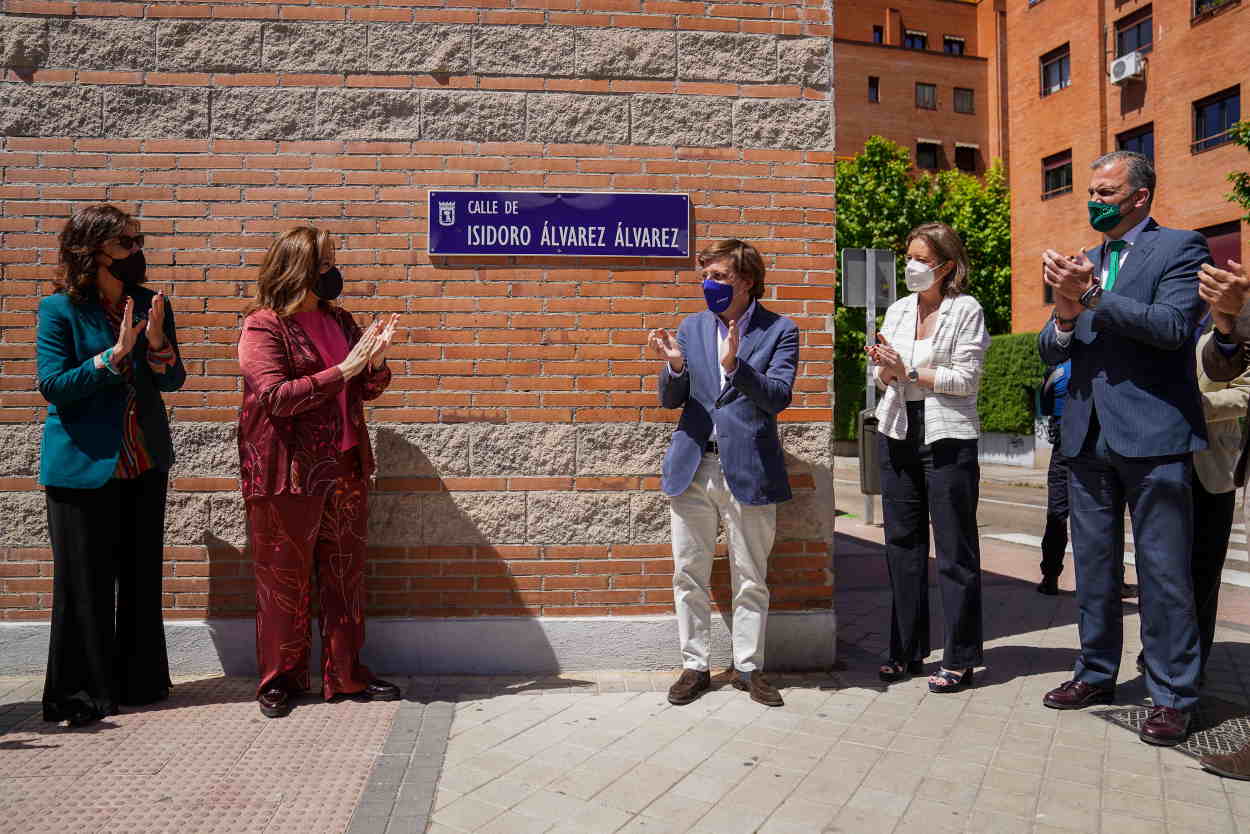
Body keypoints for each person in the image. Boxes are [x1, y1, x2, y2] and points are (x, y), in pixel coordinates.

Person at [1037, 150, 1210, 747]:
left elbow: (1171, 328)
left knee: (1163, 574)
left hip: (1154, 436)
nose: (1094, 201)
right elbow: (1054, 349)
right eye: (1090, 189)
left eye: (1106, 192)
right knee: (1095, 570)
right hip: (1086, 437)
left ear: (1140, 196)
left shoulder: (1181, 248)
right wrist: (1062, 312)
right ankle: (1095, 672)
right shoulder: (1087, 261)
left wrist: (1088, 298)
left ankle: (1171, 696)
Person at [237, 226, 401, 718]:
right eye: (325, 263)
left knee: (344, 575)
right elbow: (276, 397)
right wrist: (346, 370)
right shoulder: (263, 327)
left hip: (346, 465)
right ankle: (279, 680)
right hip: (288, 472)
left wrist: (375, 361)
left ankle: (346, 675)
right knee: (284, 579)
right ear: (299, 269)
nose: (333, 271)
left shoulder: (340, 319)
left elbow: (365, 388)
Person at [36, 204, 186, 726]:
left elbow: (171, 381)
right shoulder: (59, 310)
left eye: (138, 241)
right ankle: (79, 694)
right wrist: (110, 358)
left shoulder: (151, 302)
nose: (136, 252)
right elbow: (53, 386)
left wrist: (158, 344)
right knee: (85, 583)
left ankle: (140, 682)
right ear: (92, 250)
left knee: (141, 578)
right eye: (126, 243)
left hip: (143, 461)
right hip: (82, 466)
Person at [648, 239, 798, 708]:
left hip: (748, 468)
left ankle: (749, 667)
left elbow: (777, 397)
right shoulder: (691, 328)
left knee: (750, 574)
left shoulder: (781, 330)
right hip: (694, 464)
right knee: (688, 571)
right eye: (705, 277)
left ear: (747, 280)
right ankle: (694, 665)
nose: (709, 285)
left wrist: (736, 366)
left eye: (719, 277)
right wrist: (674, 365)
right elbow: (672, 401)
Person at [865, 222, 990, 693]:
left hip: (947, 438)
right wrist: (883, 369)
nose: (912, 267)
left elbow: (967, 379)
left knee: (956, 550)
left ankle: (960, 656)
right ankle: (905, 649)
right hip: (897, 430)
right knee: (901, 546)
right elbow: (881, 378)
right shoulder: (898, 310)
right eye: (909, 257)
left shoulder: (967, 310)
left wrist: (909, 370)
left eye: (922, 259)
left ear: (947, 266)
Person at [1194, 258, 1250, 780]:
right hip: (1168, 466)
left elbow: (1240, 389)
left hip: (1213, 462)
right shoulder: (1195, 321)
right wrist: (1228, 324)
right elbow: (1223, 362)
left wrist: (1195, 405)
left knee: (1206, 572)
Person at [1037, 361, 1070, 595]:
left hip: (1062, 442)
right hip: (1095, 440)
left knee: (1057, 512)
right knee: (1105, 512)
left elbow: (1045, 400)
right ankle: (1115, 580)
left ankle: (1050, 577)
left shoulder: (1057, 368)